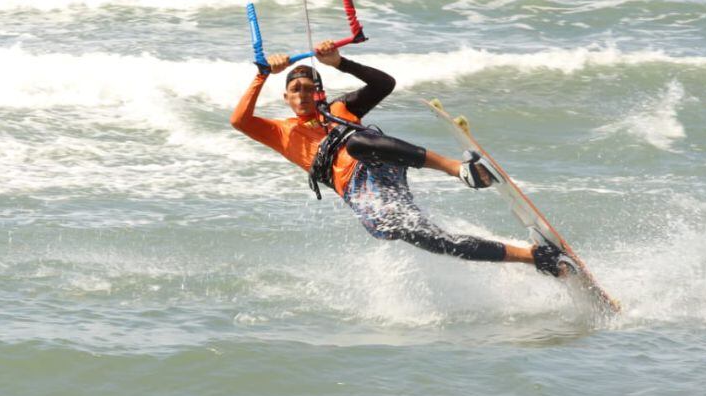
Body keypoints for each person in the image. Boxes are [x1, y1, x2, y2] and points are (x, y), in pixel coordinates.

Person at [230, 39, 573, 277]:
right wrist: (262, 74)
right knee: (428, 238)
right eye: (296, 90)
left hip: (378, 163)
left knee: (356, 144)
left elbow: (384, 84)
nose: (303, 95)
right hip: (360, 194)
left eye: (309, 88)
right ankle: (533, 258)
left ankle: (459, 170)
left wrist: (339, 63)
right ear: (287, 96)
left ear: (319, 92)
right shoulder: (280, 131)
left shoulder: (339, 109)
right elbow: (239, 121)